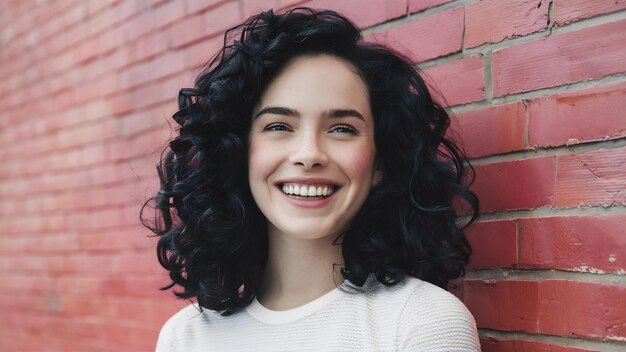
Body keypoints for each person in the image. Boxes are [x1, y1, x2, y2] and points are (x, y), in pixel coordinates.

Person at [143, 7, 480, 352]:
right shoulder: (186, 337)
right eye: (278, 126)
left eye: (342, 128)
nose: (309, 154)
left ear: (381, 161)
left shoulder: (423, 322)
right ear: (239, 154)